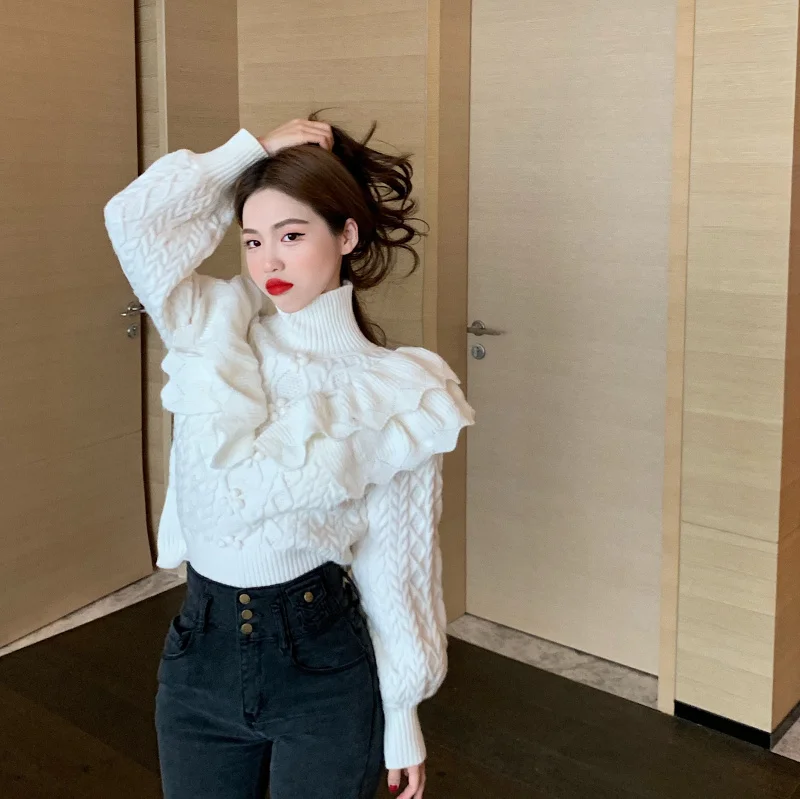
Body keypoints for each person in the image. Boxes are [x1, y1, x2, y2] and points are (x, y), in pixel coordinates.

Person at [104, 116, 474, 799]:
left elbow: (397, 561)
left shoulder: (397, 389)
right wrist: (248, 153)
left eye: (292, 235)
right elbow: (133, 221)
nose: (267, 262)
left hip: (322, 666)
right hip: (199, 658)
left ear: (347, 236)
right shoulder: (214, 330)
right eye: (253, 239)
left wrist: (402, 714)